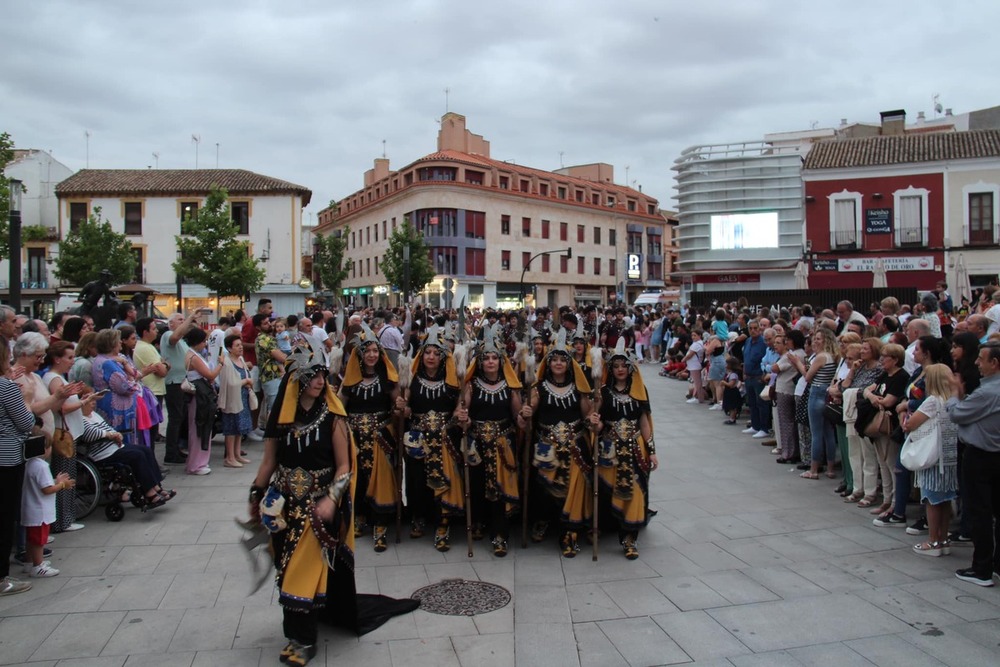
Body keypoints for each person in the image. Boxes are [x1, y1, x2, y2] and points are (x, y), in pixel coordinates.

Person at [247, 341, 416, 665]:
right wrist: (256, 495)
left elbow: (344, 466)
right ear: (296, 381)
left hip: (316, 507)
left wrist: (331, 499)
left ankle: (303, 640)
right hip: (282, 508)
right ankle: (296, 629)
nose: (319, 381)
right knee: (285, 571)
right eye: (312, 376)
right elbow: (268, 463)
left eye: (322, 375)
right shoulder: (281, 421)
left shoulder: (333, 418)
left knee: (302, 569)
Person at [455, 324, 523, 557]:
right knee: (476, 487)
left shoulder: (511, 387)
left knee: (500, 491)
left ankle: (500, 535)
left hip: (503, 445)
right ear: (480, 362)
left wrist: (525, 418)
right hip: (477, 445)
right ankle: (478, 524)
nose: (491, 362)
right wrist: (462, 418)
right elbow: (460, 414)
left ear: (501, 361)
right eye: (487, 358)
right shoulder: (471, 386)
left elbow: (517, 416)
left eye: (495, 358)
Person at [396, 325, 463, 551]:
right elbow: (406, 409)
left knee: (444, 478)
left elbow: (458, 407)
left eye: (436, 353)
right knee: (416, 480)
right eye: (427, 352)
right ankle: (418, 516)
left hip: (445, 439)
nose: (431, 357)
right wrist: (403, 410)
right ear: (421, 355)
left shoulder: (453, 381)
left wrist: (456, 416)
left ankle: (442, 522)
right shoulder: (411, 379)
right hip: (418, 439)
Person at [591, 339, 658, 559]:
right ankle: (604, 527)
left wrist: (652, 450)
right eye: (616, 366)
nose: (620, 370)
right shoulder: (602, 393)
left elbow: (644, 422)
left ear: (630, 368)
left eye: (623, 366)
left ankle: (629, 539)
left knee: (635, 491)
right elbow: (598, 424)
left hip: (634, 448)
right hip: (609, 447)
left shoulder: (640, 391)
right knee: (605, 489)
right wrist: (594, 423)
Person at [338, 324, 400, 551]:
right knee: (358, 479)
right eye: (368, 351)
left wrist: (401, 408)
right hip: (354, 437)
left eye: (375, 351)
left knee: (380, 478)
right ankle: (360, 517)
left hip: (380, 437)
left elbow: (398, 404)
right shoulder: (350, 381)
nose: (372, 355)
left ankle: (380, 525)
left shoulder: (387, 379)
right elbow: (339, 408)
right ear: (359, 354)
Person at [947, 342, 1000, 587]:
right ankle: (995, 564)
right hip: (990, 453)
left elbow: (958, 414)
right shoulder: (987, 390)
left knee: (980, 512)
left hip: (981, 456)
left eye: (981, 358)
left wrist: (955, 397)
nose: (977, 363)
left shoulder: (987, 392)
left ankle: (982, 569)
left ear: (995, 363)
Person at [903, 364, 959, 556]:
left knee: (932, 500)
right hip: (949, 456)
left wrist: (906, 419)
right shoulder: (952, 400)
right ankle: (943, 539)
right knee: (945, 500)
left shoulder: (932, 401)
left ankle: (933, 541)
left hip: (932, 457)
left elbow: (910, 423)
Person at [79, 398, 174, 508]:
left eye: (93, 399)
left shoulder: (93, 415)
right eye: (90, 400)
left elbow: (107, 428)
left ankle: (157, 487)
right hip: (103, 453)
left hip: (114, 447)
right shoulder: (81, 419)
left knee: (145, 450)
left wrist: (116, 434)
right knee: (137, 456)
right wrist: (109, 435)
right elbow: (91, 434)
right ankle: (150, 493)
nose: (93, 402)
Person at [860, 343, 909, 518]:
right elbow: (867, 390)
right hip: (878, 424)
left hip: (890, 425)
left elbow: (888, 401)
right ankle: (887, 499)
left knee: (891, 463)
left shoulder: (900, 377)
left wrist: (875, 399)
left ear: (895, 359)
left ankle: (895, 502)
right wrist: (873, 397)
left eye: (885, 356)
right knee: (882, 463)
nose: (882, 360)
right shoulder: (884, 375)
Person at [0, 370, 38, 597]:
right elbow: (26, 422)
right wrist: (26, 400)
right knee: (5, 516)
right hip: (6, 459)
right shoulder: (6, 387)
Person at [21, 436, 74, 578]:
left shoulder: (29, 463)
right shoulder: (42, 466)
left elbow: (44, 484)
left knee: (31, 539)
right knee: (39, 540)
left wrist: (56, 481)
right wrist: (62, 484)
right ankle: (38, 566)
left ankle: (29, 562)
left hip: (30, 509)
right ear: (44, 449)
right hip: (40, 511)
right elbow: (47, 489)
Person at [161, 311, 200, 464]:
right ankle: (170, 453)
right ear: (170, 323)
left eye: (184, 319)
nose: (183, 322)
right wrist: (190, 318)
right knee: (175, 418)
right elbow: (175, 337)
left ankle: (176, 448)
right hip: (173, 382)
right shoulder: (168, 335)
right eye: (180, 320)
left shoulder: (183, 341)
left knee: (181, 417)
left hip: (182, 381)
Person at [91, 328, 142, 446]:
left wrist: (125, 364)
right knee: (122, 439)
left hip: (115, 406)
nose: (120, 343)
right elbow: (126, 387)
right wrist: (133, 381)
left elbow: (135, 373)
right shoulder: (107, 363)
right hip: (115, 409)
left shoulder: (105, 359)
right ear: (111, 343)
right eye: (118, 340)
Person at [182, 327, 222, 475]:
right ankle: (196, 463)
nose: (205, 343)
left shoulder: (192, 355)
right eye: (204, 341)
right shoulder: (194, 357)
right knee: (199, 427)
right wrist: (220, 364)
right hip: (200, 396)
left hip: (200, 395)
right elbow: (210, 375)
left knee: (199, 427)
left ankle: (198, 461)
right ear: (198, 342)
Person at [218, 334, 255, 468]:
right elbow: (230, 383)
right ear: (229, 348)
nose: (240, 348)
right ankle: (230, 457)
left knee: (239, 428)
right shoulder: (227, 362)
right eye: (237, 345)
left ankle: (237, 454)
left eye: (241, 345)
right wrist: (246, 381)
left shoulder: (241, 359)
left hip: (243, 397)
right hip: (232, 399)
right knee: (231, 428)